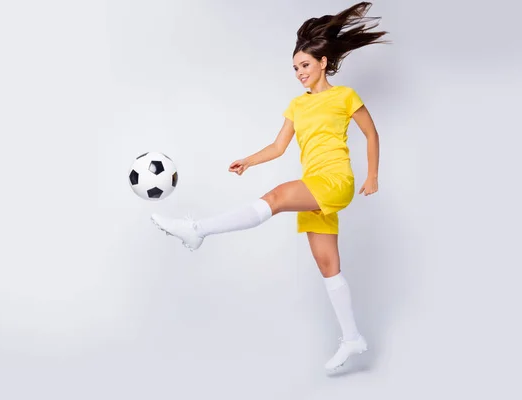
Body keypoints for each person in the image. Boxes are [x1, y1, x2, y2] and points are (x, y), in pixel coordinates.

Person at [151, 1, 388, 372]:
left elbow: (371, 134)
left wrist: (372, 175)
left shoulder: (345, 97)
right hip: (314, 185)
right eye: (295, 68)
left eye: (305, 66)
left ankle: (197, 230)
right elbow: (279, 147)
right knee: (328, 265)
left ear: (324, 62)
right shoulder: (296, 105)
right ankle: (353, 338)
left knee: (276, 198)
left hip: (336, 181)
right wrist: (248, 159)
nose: (299, 73)